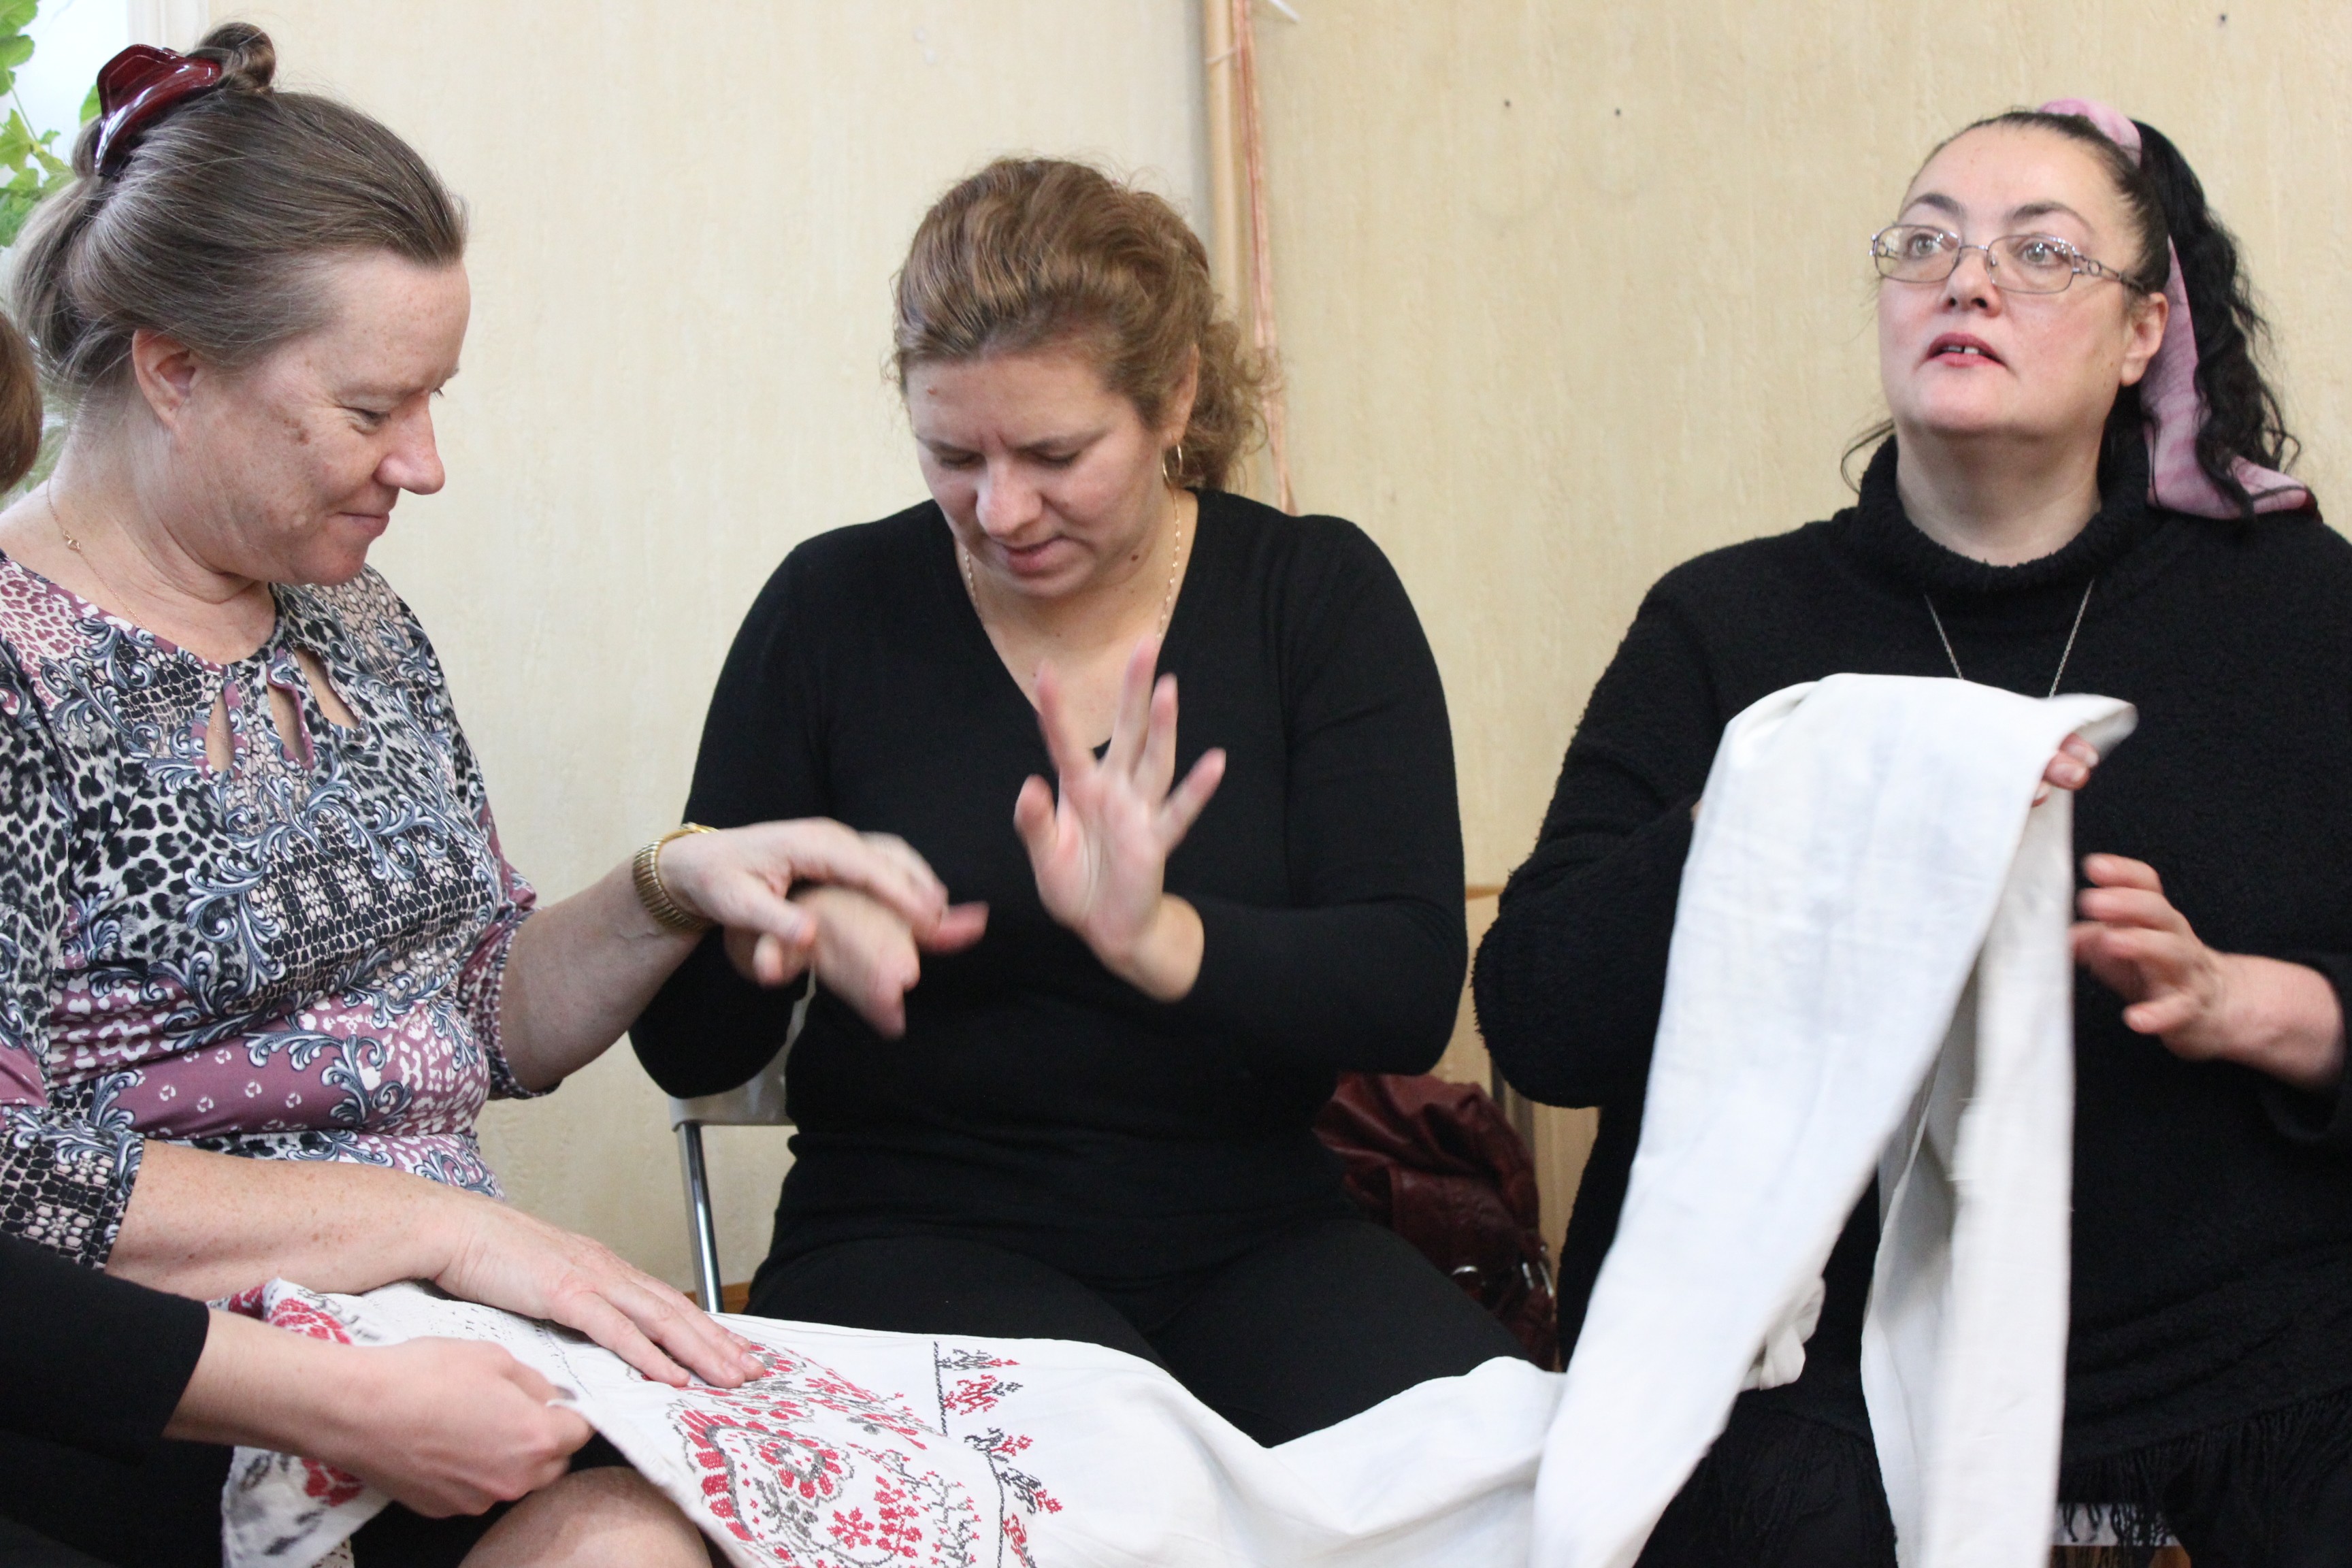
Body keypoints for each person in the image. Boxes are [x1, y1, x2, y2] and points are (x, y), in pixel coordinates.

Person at [0, 29, 963, 1567]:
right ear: (174, 371)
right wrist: (443, 1230)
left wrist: (670, 888)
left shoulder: (357, 625)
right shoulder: (20, 671)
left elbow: (477, 1013)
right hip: (163, 1386)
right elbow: (18, 1183)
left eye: (433, 398)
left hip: (450, 1318)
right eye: (372, 408)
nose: (426, 464)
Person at [1476, 100, 2352, 1565]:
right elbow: (1538, 1020)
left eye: (2042, 252)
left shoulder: (2301, 610)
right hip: (1815, 1369)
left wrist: (2244, 1002)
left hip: (2245, 1353)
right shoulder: (1728, 623)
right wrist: (1777, 803)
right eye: (1926, 244)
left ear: (2144, 333)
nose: (1968, 280)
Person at [632, 157, 1522, 1447]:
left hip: (1258, 1233)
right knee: (1120, 1476)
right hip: (906, 1240)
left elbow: (1405, 989)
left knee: (1505, 1472)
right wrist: (780, 936)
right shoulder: (832, 611)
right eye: (953, 455)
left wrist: (1156, 937)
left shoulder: (1313, 598)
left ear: (1176, 398)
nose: (1001, 510)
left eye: (1055, 454)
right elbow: (688, 1052)